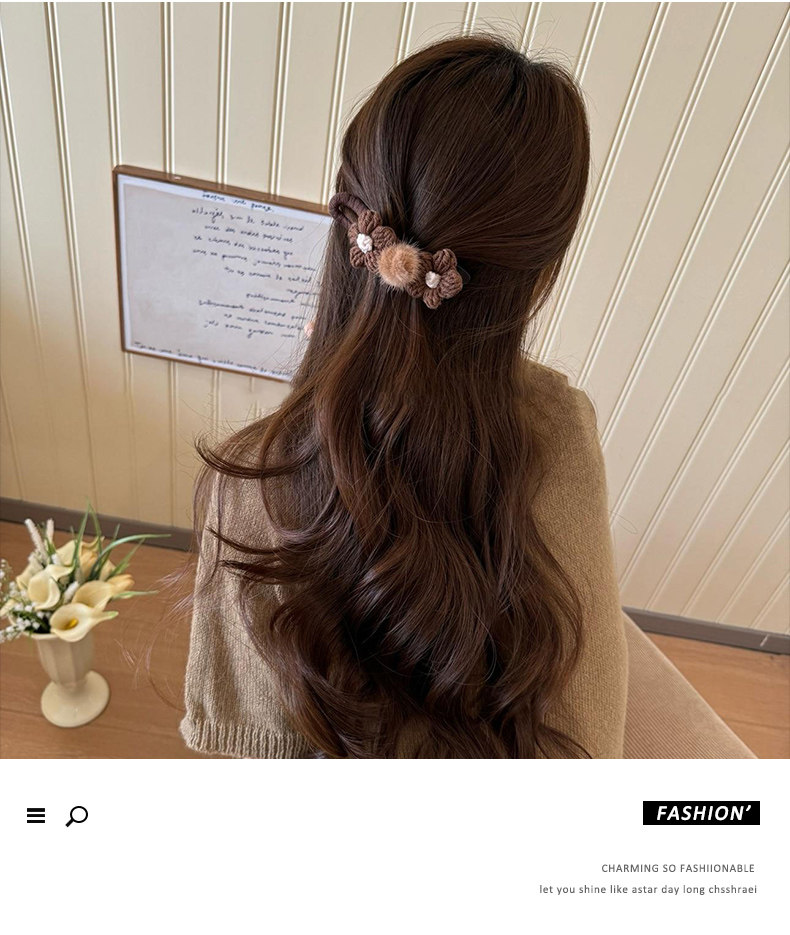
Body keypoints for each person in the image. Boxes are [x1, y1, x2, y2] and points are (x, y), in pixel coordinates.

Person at [178, 34, 629, 759]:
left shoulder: (250, 483)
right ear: (538, 277)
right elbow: (591, 740)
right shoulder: (564, 430)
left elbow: (246, 750)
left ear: (347, 230)